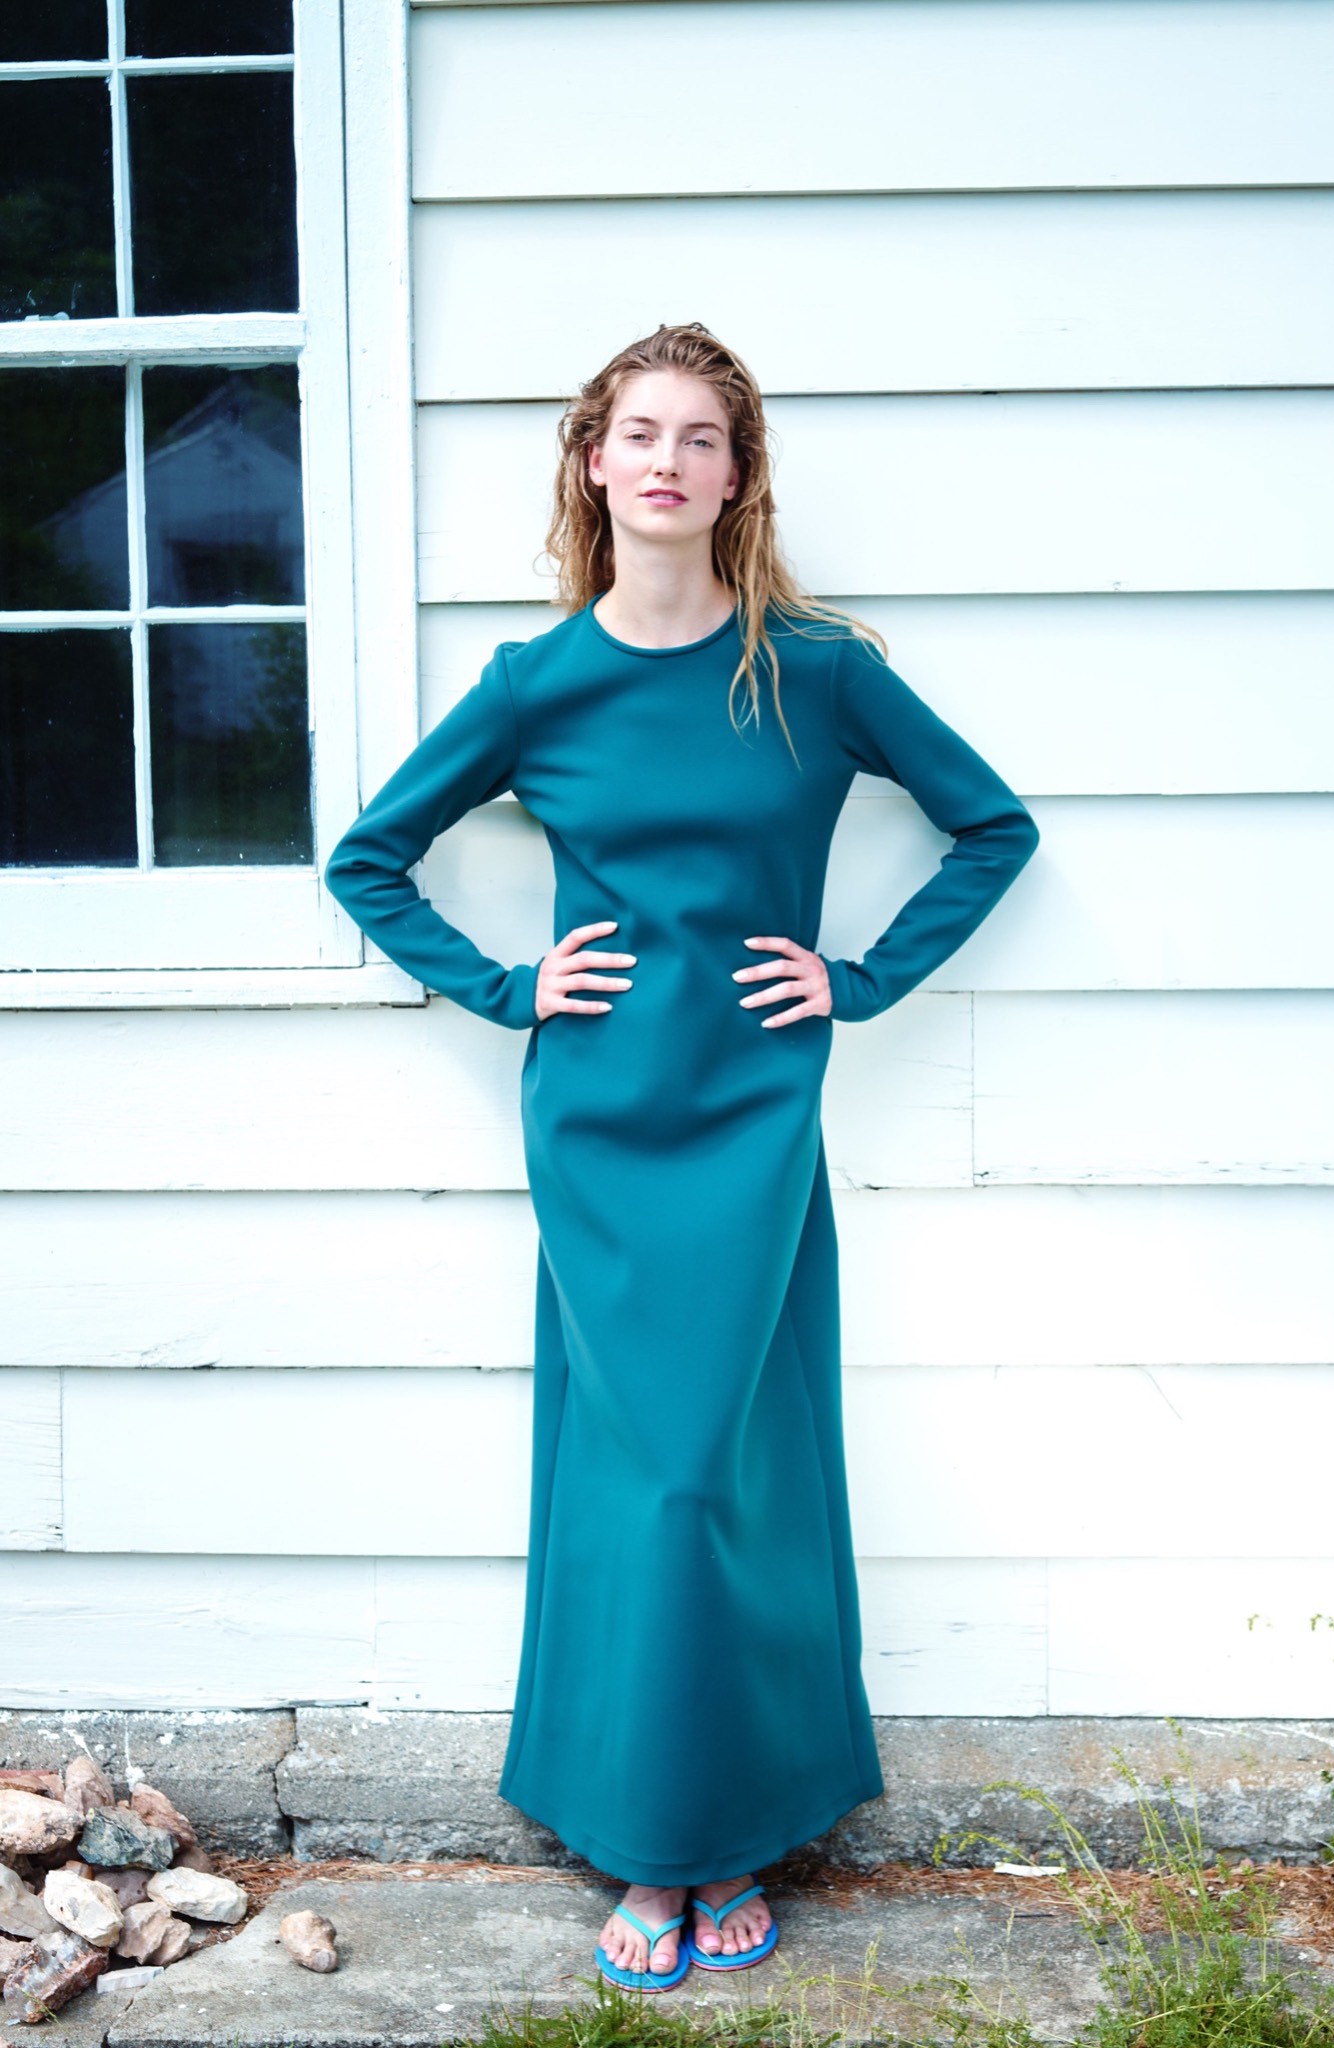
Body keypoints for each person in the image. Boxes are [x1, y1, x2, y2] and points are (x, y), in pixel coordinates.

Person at [323, 321, 1040, 1994]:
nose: (665, 460)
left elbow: (990, 827)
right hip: (600, 1122)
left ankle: (738, 1827)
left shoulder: (817, 674)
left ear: (736, 475)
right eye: (637, 432)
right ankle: (655, 1845)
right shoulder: (536, 685)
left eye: (699, 437)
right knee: (641, 1477)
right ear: (593, 465)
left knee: (731, 1467)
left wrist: (858, 978)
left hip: (754, 1114)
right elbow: (368, 861)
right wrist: (508, 988)